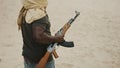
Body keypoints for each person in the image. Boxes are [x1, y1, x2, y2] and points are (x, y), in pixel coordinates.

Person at [17, 0, 64, 68]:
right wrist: (56, 39)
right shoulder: (39, 15)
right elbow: (38, 36)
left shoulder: (25, 11)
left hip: (28, 58)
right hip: (42, 59)